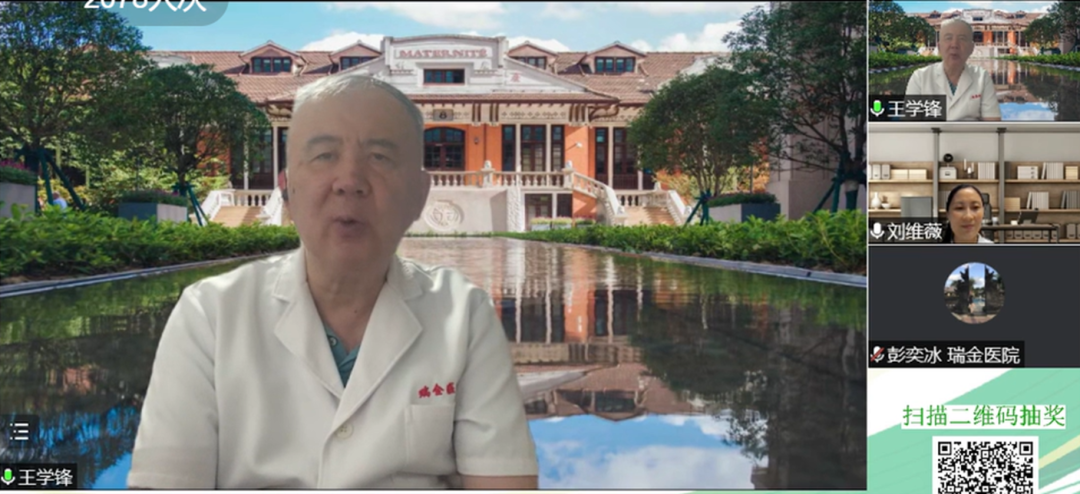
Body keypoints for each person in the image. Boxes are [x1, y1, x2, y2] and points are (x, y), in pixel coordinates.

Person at [128, 74, 539, 489]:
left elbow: (503, 480)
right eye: (324, 155)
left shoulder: (462, 314)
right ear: (287, 188)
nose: (349, 181)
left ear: (419, 194)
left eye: (380, 157)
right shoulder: (210, 314)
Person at [904, 18, 1002, 122]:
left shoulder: (982, 77)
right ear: (939, 46)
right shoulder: (920, 77)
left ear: (971, 48)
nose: (954, 45)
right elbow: (910, 124)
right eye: (948, 38)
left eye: (962, 38)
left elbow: (993, 125)